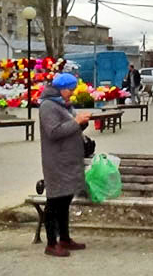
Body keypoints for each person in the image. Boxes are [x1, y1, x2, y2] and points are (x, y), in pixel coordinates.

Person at [39, 72, 91, 257]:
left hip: (68, 160)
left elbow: (70, 128)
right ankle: (51, 243)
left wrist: (81, 123)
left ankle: (65, 238)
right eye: (70, 89)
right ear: (61, 88)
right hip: (56, 161)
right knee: (54, 202)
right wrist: (76, 122)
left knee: (65, 201)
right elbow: (53, 132)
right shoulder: (48, 106)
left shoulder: (63, 105)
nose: (72, 93)